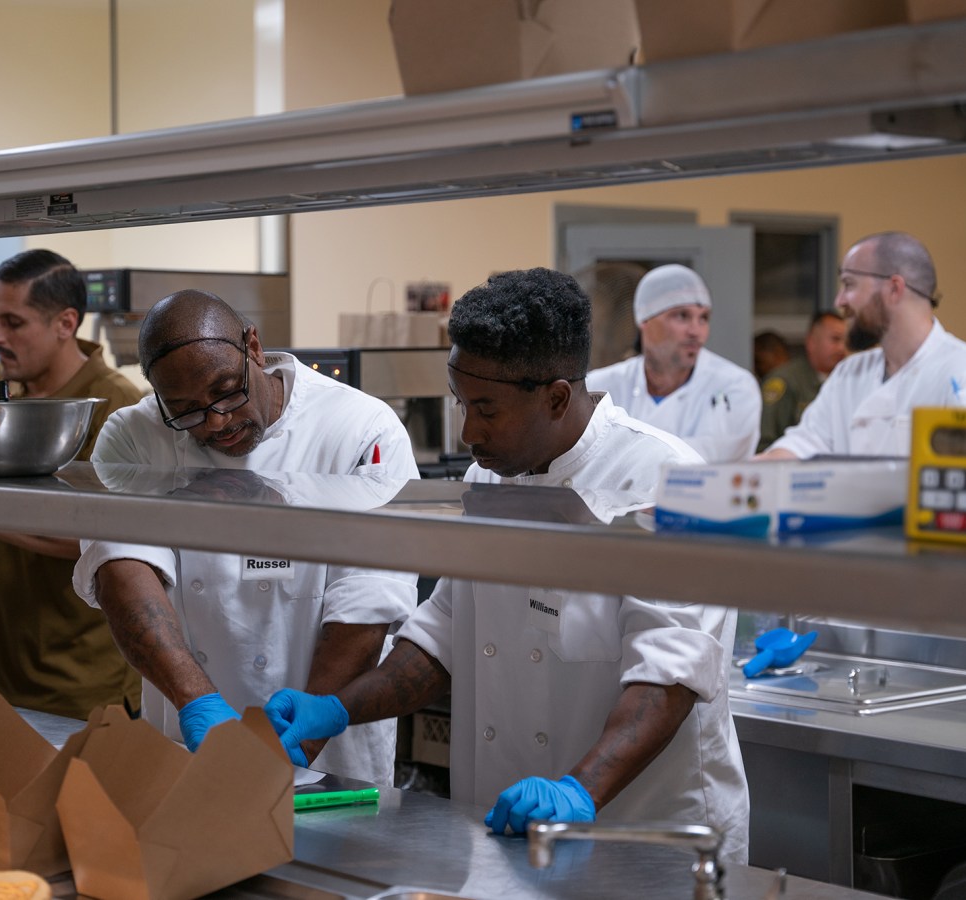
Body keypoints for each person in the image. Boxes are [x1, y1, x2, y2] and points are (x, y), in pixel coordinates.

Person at [264, 267, 750, 863]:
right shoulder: (488, 477)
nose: (468, 431)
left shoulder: (669, 479)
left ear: (556, 398)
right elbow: (443, 637)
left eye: (487, 409)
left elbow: (667, 679)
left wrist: (578, 790)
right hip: (507, 826)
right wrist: (339, 708)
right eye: (461, 404)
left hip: (643, 831)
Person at [71, 289, 419, 785]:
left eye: (226, 390)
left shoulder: (360, 428)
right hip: (187, 751)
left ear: (253, 347)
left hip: (329, 769)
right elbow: (122, 572)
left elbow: (367, 603)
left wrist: (302, 738)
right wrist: (199, 703)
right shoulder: (134, 436)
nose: (216, 421)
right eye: (186, 411)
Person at [0, 249, 144, 720]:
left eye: (13, 322)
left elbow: (110, 538)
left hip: (80, 685)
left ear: (65, 323)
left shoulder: (118, 408)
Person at [763, 232, 966, 459]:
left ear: (894, 288)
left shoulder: (962, 372)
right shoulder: (848, 373)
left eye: (849, 284)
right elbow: (803, 443)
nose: (839, 301)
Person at [585, 264, 761, 463]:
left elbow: (706, 463)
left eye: (703, 318)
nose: (696, 331)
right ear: (644, 319)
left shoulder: (736, 387)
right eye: (682, 316)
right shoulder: (599, 386)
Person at [757, 311, 848, 450]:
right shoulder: (785, 381)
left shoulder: (846, 381)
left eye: (846, 341)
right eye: (835, 339)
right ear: (811, 342)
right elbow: (764, 440)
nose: (842, 348)